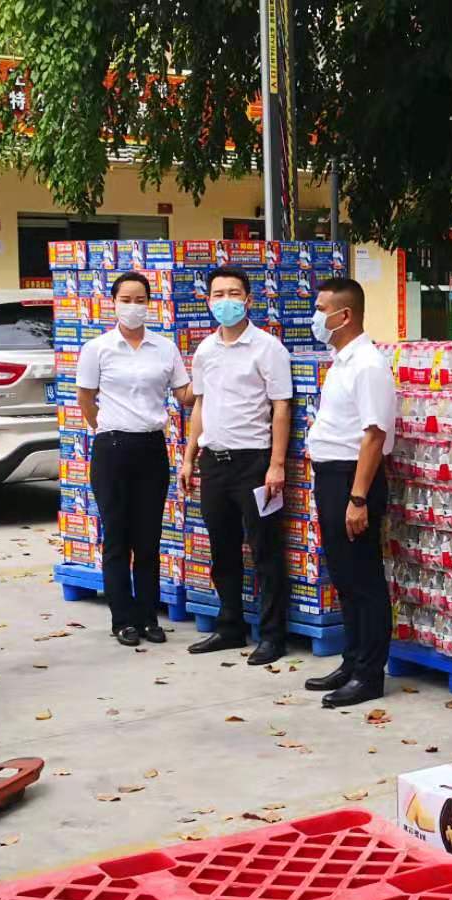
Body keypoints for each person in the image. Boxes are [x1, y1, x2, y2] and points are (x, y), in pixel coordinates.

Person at [179, 266, 295, 666]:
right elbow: (200, 404)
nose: (225, 301)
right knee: (222, 548)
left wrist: (276, 464)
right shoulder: (205, 350)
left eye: (233, 293)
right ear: (207, 300)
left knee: (265, 550)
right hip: (214, 462)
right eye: (218, 294)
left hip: (254, 463)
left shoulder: (268, 348)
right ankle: (230, 625)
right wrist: (189, 456)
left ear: (248, 300)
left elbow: (281, 408)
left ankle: (272, 635)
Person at [77, 272, 192, 647]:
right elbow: (85, 398)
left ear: (149, 303)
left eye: (140, 299)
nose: (133, 306)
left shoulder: (165, 348)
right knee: (117, 536)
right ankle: (122, 619)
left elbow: (185, 394)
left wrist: (213, 372)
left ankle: (148, 616)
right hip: (112, 448)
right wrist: (105, 428)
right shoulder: (98, 349)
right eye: (125, 299)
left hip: (151, 447)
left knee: (148, 537)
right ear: (113, 303)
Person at [301, 278, 398, 707]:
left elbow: (374, 435)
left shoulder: (368, 365)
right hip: (331, 476)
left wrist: (358, 498)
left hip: (353, 479)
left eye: (321, 309)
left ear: (344, 315)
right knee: (343, 576)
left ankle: (369, 674)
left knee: (363, 579)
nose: (315, 317)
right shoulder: (341, 361)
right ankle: (352, 659)